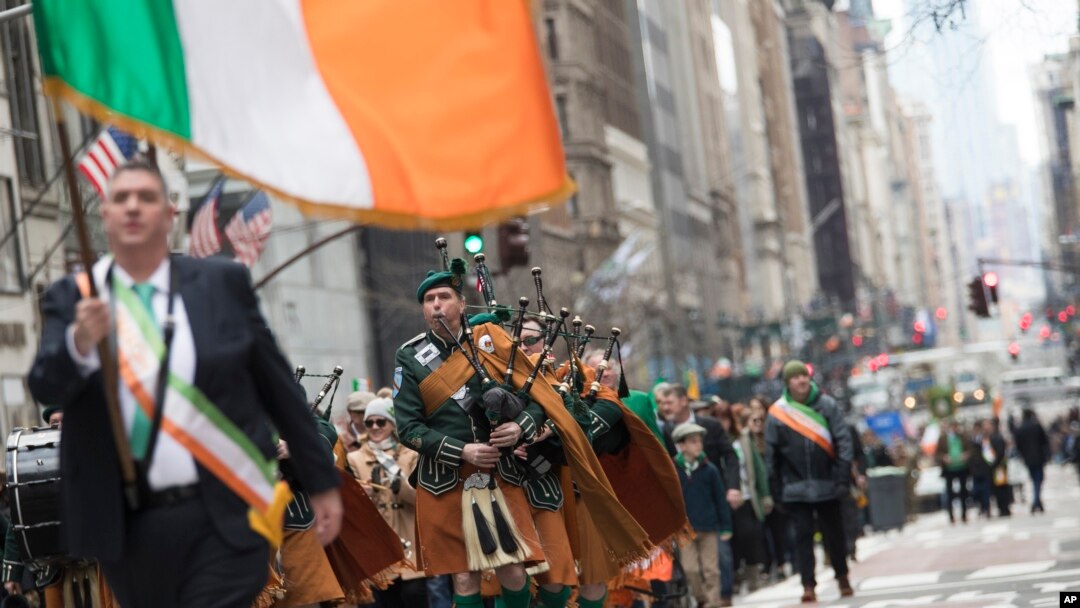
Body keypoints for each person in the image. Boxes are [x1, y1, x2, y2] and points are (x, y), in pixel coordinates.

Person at [27, 160, 342, 608]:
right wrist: (79, 342)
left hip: (226, 509)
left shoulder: (220, 284)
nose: (133, 206)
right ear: (105, 215)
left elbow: (277, 386)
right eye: (121, 198)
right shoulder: (74, 296)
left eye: (147, 197)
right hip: (128, 520)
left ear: (170, 215)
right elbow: (45, 386)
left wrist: (321, 479)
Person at [393, 261, 646, 608]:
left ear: (462, 304)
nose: (436, 305)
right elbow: (408, 428)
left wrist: (519, 427)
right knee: (463, 576)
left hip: (499, 471)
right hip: (445, 477)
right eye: (429, 300)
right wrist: (463, 451)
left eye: (444, 297)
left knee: (512, 569)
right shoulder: (409, 357)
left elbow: (541, 398)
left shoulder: (491, 342)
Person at [764, 361, 854, 603]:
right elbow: (772, 456)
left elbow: (843, 442)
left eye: (804, 376)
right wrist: (776, 490)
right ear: (787, 383)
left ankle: (842, 576)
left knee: (834, 534)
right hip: (795, 488)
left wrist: (843, 478)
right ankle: (808, 585)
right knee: (802, 537)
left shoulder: (827, 405)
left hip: (829, 484)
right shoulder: (777, 414)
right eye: (795, 377)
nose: (801, 380)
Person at [346, 398, 427, 608]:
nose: (374, 427)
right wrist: (365, 495)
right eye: (369, 422)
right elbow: (352, 510)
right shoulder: (355, 458)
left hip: (410, 542)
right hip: (379, 546)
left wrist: (399, 485)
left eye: (380, 422)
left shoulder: (411, 455)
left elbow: (422, 501)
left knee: (414, 596)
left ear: (392, 424)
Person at [672, 424, 733, 608]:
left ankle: (712, 602)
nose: (698, 445)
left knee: (711, 569)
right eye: (693, 442)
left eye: (699, 441)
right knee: (691, 569)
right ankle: (701, 598)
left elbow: (720, 500)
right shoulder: (673, 469)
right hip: (685, 529)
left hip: (708, 525)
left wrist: (726, 526)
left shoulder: (710, 469)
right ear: (682, 446)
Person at [1013, 408, 1050, 514]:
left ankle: (1037, 502)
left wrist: (1022, 455)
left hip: (1028, 459)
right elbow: (1045, 441)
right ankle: (1036, 501)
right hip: (1039, 457)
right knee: (1038, 480)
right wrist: (1047, 455)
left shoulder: (1020, 428)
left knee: (1034, 480)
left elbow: (1018, 445)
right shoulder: (1036, 426)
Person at [935, 419, 971, 524]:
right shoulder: (942, 439)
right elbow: (937, 453)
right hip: (949, 469)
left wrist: (966, 455)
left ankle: (964, 514)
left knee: (964, 492)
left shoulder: (963, 437)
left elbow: (970, 449)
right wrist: (944, 458)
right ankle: (951, 516)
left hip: (962, 467)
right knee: (950, 493)